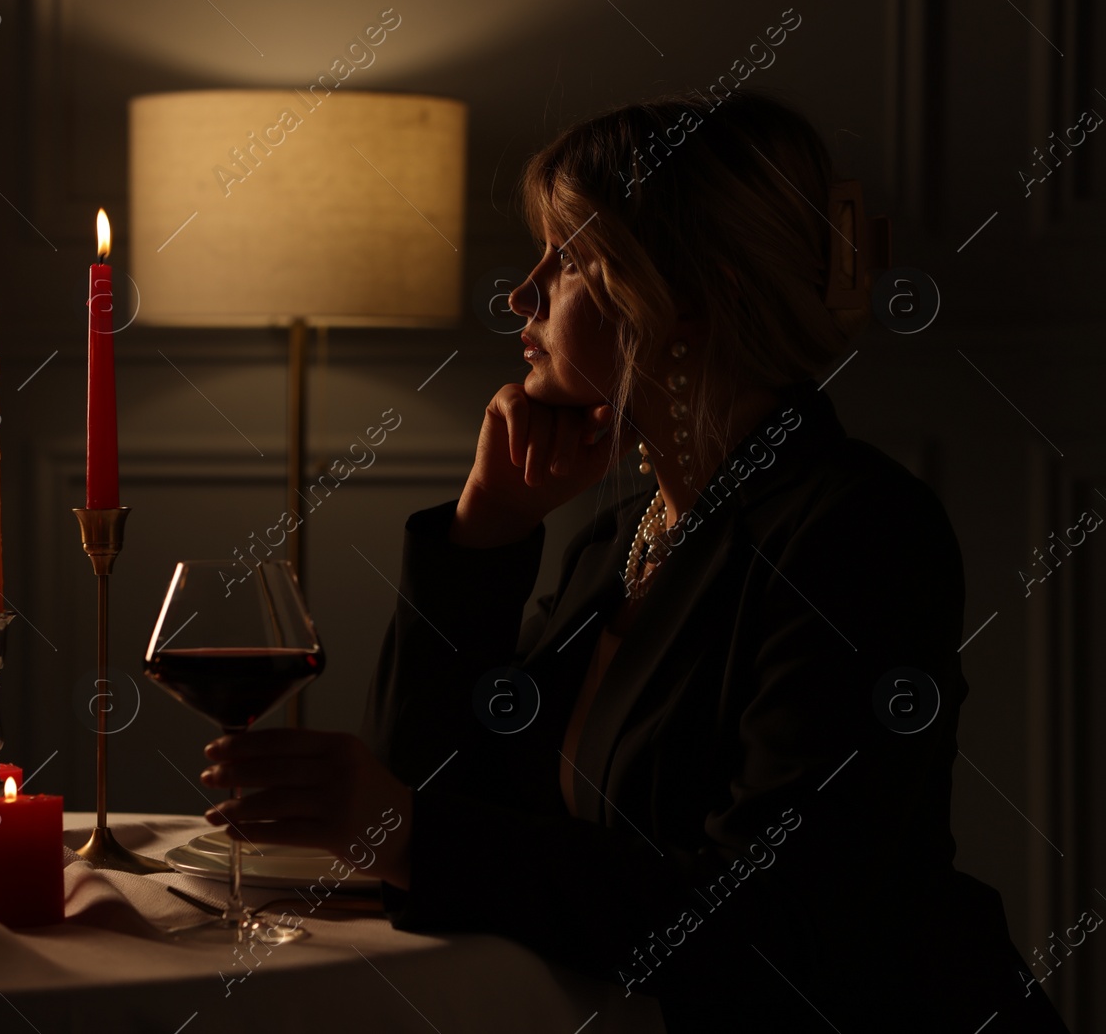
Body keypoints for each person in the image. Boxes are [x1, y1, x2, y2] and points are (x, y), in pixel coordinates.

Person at [200, 90, 1069, 1032]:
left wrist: (415, 831)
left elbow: (771, 927)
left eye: (567, 258)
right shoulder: (623, 539)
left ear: (690, 293)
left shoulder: (858, 533)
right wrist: (484, 529)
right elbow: (439, 792)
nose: (520, 293)